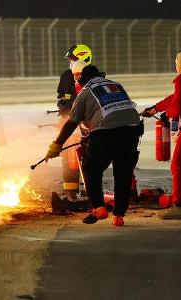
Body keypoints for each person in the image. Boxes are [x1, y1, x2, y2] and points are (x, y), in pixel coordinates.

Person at [46, 65, 142, 226]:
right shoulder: (116, 85)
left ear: (83, 80)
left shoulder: (85, 92)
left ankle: (99, 208)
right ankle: (119, 217)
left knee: (91, 169)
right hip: (132, 131)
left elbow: (71, 123)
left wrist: (56, 145)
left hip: (105, 133)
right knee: (123, 175)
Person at [142, 52, 181, 219]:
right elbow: (174, 98)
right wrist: (155, 109)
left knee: (178, 165)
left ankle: (178, 206)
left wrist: (169, 114)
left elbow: (177, 104)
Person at [56, 44, 92, 199]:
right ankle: (70, 190)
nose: (70, 62)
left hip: (87, 122)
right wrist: (62, 106)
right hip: (69, 120)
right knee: (68, 155)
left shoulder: (93, 75)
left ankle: (91, 189)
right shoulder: (66, 76)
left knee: (88, 156)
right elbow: (61, 96)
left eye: (74, 59)